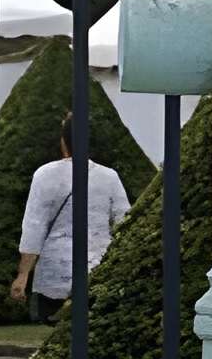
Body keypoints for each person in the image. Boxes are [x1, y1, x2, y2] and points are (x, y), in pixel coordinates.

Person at [11, 113, 130, 324]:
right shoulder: (109, 177)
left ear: (63, 141)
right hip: (98, 268)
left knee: (56, 332)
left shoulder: (44, 174)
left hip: (54, 273)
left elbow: (33, 227)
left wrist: (23, 275)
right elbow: (124, 222)